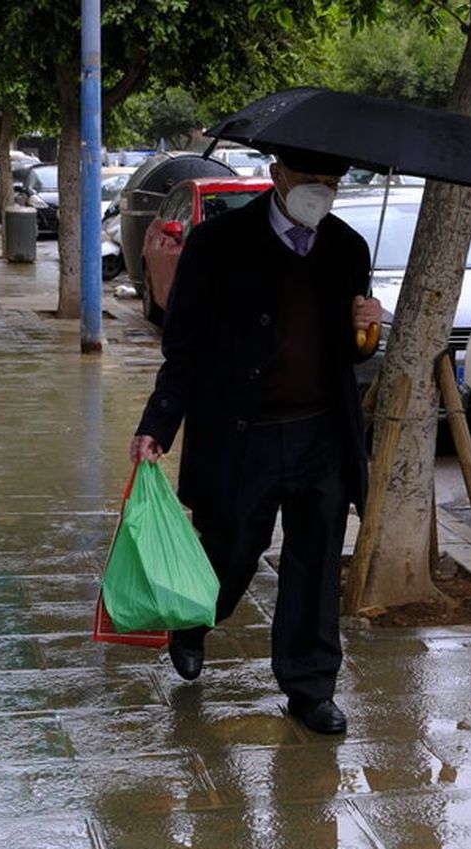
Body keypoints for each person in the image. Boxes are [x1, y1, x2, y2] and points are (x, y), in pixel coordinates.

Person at [131, 147, 384, 735]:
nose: (320, 190)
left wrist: (367, 328)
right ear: (278, 178)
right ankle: (194, 622)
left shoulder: (347, 247)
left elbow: (353, 351)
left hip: (320, 433)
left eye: (331, 181)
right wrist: (158, 425)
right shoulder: (219, 245)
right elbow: (184, 347)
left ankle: (310, 685)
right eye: (309, 179)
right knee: (231, 549)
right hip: (242, 434)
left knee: (316, 560)